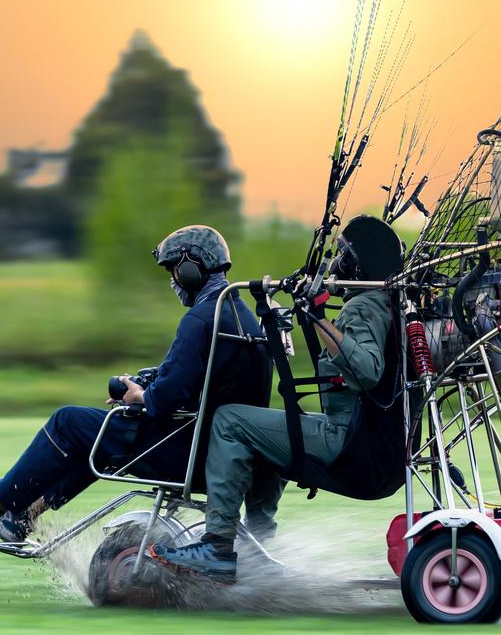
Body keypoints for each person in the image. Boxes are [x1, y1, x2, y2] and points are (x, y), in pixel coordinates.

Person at [0, 225, 269, 544]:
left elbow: (162, 401)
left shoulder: (199, 319)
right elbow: (199, 381)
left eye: (174, 269)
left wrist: (138, 394)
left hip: (189, 455)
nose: (174, 280)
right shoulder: (240, 315)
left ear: (193, 266)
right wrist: (148, 385)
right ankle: (21, 516)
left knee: (68, 421)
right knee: (101, 433)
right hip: (220, 454)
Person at [150, 215, 403, 582]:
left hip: (348, 441)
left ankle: (218, 545)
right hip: (366, 440)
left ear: (357, 263)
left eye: (343, 255)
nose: (336, 264)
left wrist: (317, 318)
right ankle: (257, 548)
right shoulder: (386, 305)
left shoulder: (364, 307)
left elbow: (366, 368)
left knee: (229, 420)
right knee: (263, 431)